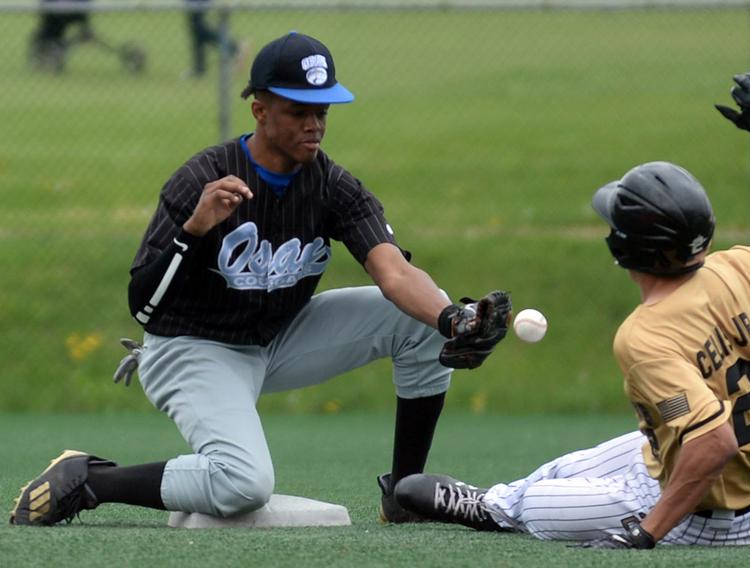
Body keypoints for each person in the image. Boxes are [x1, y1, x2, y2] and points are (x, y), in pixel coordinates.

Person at [10, 32, 511, 527]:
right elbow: (143, 306)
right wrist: (193, 232)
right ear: (260, 110)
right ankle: (93, 479)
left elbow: (394, 272)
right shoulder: (203, 178)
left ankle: (405, 493)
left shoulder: (333, 186)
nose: (314, 125)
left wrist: (453, 320)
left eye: (323, 113)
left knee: (421, 320)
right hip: (191, 347)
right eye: (299, 112)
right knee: (242, 484)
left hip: (274, 340)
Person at [393, 71, 750, 548]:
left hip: (712, 514)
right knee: (576, 466)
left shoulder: (646, 336)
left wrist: (647, 535)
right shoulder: (738, 267)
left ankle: (501, 510)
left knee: (543, 507)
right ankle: (497, 500)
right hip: (749, 475)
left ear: (624, 249)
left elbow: (715, 444)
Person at [183, 0, 239, 78]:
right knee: (198, 33)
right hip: (194, 4)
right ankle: (199, 68)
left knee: (201, 31)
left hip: (198, 4)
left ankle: (235, 47)